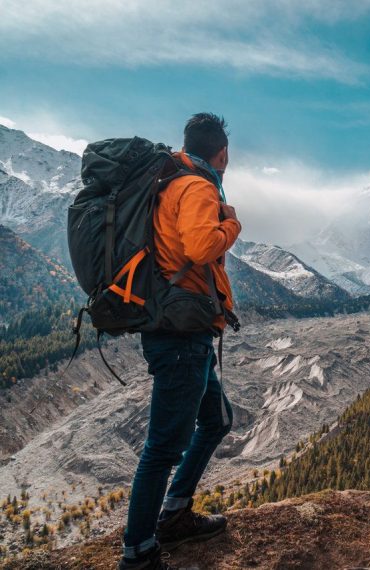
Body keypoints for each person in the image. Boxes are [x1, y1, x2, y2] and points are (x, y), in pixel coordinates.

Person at [119, 113, 242, 570]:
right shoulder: (198, 187)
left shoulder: (169, 181)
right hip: (180, 332)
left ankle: (174, 515)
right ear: (222, 153)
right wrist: (232, 224)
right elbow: (200, 247)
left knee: (216, 419)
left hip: (183, 327)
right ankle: (138, 553)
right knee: (164, 447)